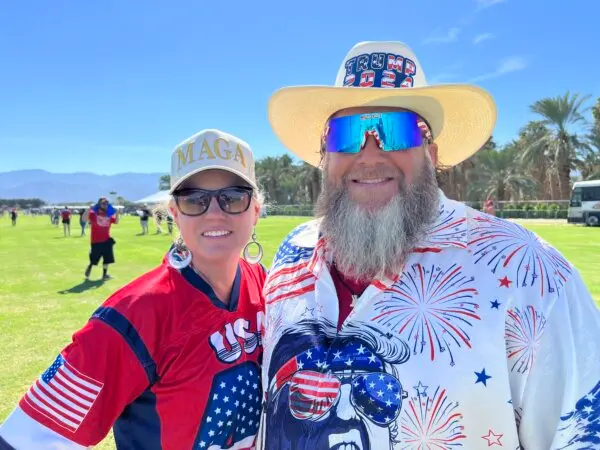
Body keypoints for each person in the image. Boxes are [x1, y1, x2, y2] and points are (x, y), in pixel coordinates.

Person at [258, 41, 600, 450]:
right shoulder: (293, 251)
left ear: (431, 153)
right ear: (323, 157)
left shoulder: (531, 274)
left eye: (397, 132)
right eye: (346, 135)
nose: (370, 155)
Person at [0, 129, 267, 449]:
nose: (213, 212)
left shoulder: (267, 286)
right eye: (194, 199)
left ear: (255, 210)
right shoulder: (135, 314)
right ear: (175, 214)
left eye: (233, 197)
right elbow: (25, 439)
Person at [84, 197, 119, 281]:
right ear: (99, 204)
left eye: (106, 203)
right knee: (94, 259)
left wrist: (117, 213)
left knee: (107, 259)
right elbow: (84, 219)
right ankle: (90, 267)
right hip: (96, 241)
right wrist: (88, 209)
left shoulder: (109, 214)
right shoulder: (93, 213)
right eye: (103, 203)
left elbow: (116, 222)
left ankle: (104, 275)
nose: (105, 205)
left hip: (106, 240)